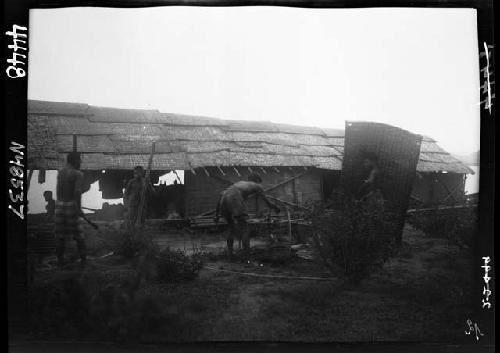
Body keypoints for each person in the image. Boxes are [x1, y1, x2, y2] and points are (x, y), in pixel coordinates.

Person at [215, 173, 280, 258]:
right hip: (234, 196)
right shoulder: (256, 185)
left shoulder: (240, 183)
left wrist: (216, 215)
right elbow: (267, 202)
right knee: (244, 228)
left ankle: (230, 254)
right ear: (256, 180)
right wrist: (276, 207)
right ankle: (247, 256)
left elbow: (222, 195)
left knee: (231, 227)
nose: (260, 184)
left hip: (223, 198)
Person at [55, 152, 86, 268]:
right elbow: (77, 192)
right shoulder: (78, 174)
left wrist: (59, 203)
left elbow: (58, 190)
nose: (81, 163)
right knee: (79, 235)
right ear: (75, 160)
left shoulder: (61, 172)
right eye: (80, 160)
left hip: (59, 204)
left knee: (60, 236)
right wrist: (79, 208)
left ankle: (60, 262)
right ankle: (84, 263)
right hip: (71, 204)